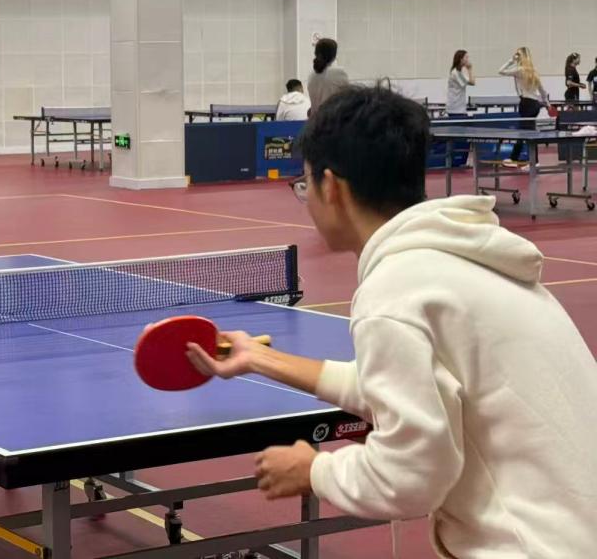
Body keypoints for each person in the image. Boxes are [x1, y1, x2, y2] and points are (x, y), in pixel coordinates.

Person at [187, 86, 597, 558]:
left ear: (331, 187)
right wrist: (260, 359)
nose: (306, 197)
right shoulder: (466, 259)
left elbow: (411, 477)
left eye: (304, 184)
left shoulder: (395, 291)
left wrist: (314, 471)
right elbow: (404, 387)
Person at [497, 47, 550, 168]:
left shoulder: (519, 70)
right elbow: (542, 91)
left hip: (526, 103)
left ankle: (526, 160)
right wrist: (547, 104)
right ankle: (524, 159)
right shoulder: (534, 71)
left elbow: (501, 71)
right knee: (528, 132)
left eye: (518, 54)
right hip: (535, 104)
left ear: (520, 57)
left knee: (524, 133)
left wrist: (511, 60)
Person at [306, 38, 348, 116]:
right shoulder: (339, 73)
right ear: (334, 56)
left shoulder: (311, 76)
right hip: (333, 119)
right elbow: (348, 98)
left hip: (316, 120)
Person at [445, 49, 475, 115]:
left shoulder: (460, 73)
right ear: (461, 59)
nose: (468, 60)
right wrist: (470, 69)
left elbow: (472, 82)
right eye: (466, 57)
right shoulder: (456, 73)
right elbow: (472, 82)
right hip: (455, 110)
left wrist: (469, 70)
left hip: (459, 108)